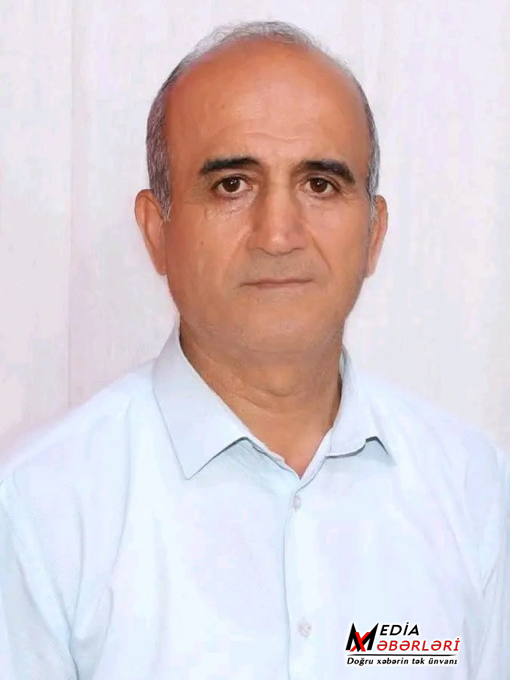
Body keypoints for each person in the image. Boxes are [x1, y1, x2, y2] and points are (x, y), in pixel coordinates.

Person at [0, 20, 508, 680]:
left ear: (374, 233)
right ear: (156, 230)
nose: (277, 233)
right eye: (232, 185)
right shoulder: (40, 511)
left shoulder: (475, 489)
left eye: (320, 184)